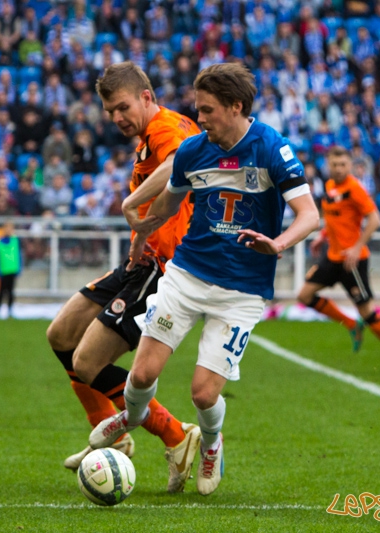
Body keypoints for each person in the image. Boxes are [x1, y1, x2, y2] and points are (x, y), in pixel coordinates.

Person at [88, 63, 320, 496]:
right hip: (187, 275)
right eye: (198, 108)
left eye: (208, 110)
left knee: (202, 394)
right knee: (140, 377)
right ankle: (132, 417)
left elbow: (310, 215)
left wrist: (279, 243)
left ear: (236, 107)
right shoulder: (195, 151)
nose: (201, 117)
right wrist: (140, 232)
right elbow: (166, 208)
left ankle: (211, 442)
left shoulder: (272, 148)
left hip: (242, 291)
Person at [45, 61, 203, 493]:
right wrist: (138, 237)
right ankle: (110, 436)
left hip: (166, 269)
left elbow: (178, 165)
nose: (116, 117)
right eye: (110, 110)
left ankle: (177, 435)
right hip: (143, 259)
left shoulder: (167, 127)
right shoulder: (145, 139)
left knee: (87, 361)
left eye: (122, 107)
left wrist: (130, 202)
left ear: (147, 97)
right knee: (61, 334)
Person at [297, 146, 380, 375]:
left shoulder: (355, 189)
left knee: (366, 311)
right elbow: (333, 218)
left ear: (350, 166)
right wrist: (322, 237)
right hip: (332, 257)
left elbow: (375, 219)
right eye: (334, 165)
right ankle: (350, 324)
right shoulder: (330, 187)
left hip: (353, 261)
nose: (338, 169)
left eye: (342, 165)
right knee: (304, 295)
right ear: (328, 166)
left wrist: (356, 247)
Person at [0, 221, 20, 319]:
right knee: (1, 292)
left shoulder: (15, 240)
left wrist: (19, 268)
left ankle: (10, 310)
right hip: (3, 270)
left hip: (12, 270)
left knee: (11, 292)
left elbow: (19, 255)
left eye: (10, 228)